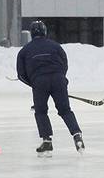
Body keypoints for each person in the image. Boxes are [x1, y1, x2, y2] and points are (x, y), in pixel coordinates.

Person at [16, 20, 84, 157]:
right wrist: (60, 80)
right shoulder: (56, 46)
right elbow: (64, 64)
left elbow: (21, 74)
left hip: (39, 82)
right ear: (44, 32)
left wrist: (35, 83)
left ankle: (47, 140)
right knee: (65, 110)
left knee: (41, 112)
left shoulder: (24, 51)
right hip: (58, 79)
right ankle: (77, 135)